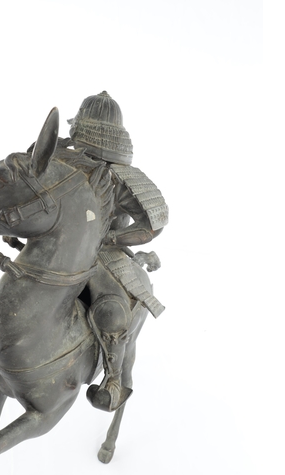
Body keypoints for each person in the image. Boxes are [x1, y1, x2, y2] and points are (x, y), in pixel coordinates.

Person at [67, 91, 169, 411]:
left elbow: (152, 223)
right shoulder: (64, 166)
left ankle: (113, 380)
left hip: (103, 257)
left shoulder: (119, 178)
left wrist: (110, 238)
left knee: (111, 313)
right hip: (62, 248)